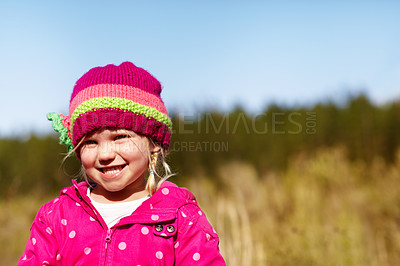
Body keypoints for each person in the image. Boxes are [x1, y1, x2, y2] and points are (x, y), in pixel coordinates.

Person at [18, 62, 225, 265]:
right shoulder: (56, 217)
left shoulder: (180, 217)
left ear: (153, 143)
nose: (105, 154)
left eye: (120, 137)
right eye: (90, 142)